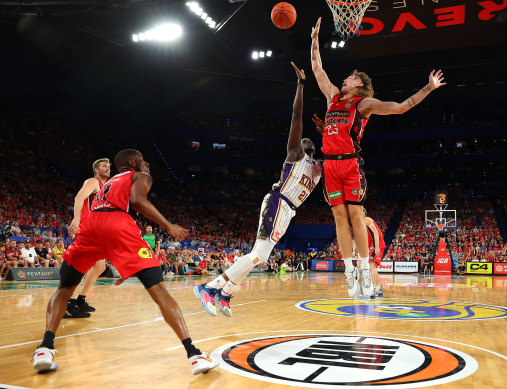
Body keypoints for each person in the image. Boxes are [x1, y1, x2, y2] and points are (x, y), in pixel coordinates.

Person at [32, 149, 218, 375]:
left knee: (64, 287)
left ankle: (45, 348)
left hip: (91, 226)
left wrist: (122, 261)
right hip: (118, 223)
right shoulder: (140, 176)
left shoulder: (109, 182)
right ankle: (193, 354)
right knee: (159, 289)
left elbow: (103, 228)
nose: (147, 163)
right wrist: (169, 226)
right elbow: (137, 200)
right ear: (132, 162)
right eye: (143, 159)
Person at [310, 17, 446, 297]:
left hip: (350, 164)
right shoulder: (333, 97)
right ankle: (349, 272)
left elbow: (400, 107)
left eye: (348, 77)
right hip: (330, 165)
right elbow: (317, 69)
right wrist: (313, 40)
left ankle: (363, 270)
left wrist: (428, 88)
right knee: (339, 217)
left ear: (358, 83)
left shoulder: (364, 104)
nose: (343, 79)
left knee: (356, 217)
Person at [194, 62, 321, 317]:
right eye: (303, 138)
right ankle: (210, 286)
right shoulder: (295, 154)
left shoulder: (319, 169)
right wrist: (301, 85)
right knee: (258, 254)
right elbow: (296, 117)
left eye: (309, 139)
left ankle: (226, 291)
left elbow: (343, 156)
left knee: (260, 257)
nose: (304, 138)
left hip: (289, 211)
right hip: (278, 201)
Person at [65, 158, 111, 317]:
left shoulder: (105, 187)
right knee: (81, 268)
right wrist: (76, 218)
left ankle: (80, 299)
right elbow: (79, 198)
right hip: (87, 229)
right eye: (104, 166)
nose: (108, 168)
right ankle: (69, 304)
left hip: (97, 231)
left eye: (109, 166)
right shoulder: (93, 181)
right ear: (96, 170)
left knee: (100, 267)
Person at [363, 208, 385, 298]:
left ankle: (374, 289)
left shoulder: (366, 219)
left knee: (371, 267)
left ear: (364, 212)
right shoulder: (359, 224)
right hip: (371, 246)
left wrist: (376, 246)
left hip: (376, 244)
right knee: (371, 267)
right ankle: (378, 289)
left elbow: (375, 232)